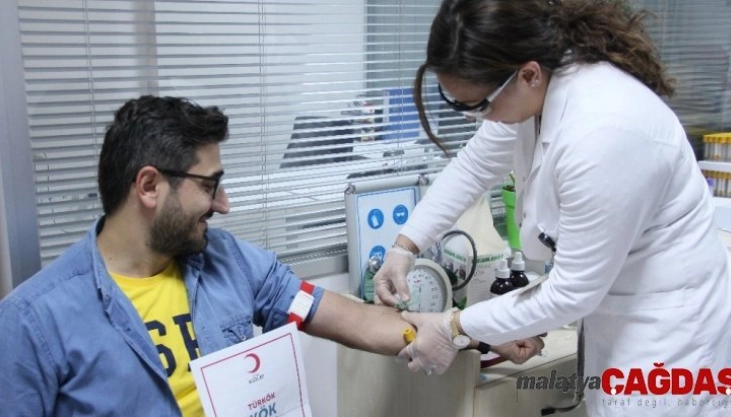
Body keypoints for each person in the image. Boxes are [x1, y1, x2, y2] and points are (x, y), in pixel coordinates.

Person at [0, 95, 541, 417]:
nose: (224, 204)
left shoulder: (227, 261)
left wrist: (470, 331)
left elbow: (343, 316)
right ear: (148, 186)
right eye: (209, 186)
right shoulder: (32, 323)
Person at [374, 1, 731, 416]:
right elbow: (475, 165)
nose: (479, 118)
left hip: (673, 333)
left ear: (528, 74)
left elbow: (571, 292)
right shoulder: (535, 91)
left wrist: (453, 328)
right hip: (614, 307)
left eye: (479, 105)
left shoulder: (605, 133)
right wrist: (405, 246)